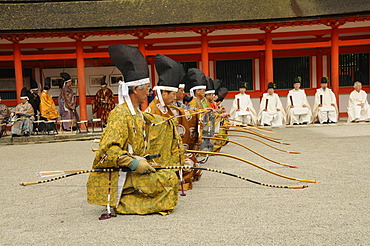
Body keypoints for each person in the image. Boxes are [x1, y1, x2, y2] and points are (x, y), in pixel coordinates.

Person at [87, 45, 180, 215]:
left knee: (169, 177)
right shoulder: (120, 114)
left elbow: (153, 122)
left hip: (135, 167)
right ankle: (122, 202)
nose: (150, 91)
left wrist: (170, 122)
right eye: (147, 87)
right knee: (168, 180)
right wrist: (134, 163)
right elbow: (108, 150)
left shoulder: (137, 113)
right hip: (121, 172)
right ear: (136, 89)